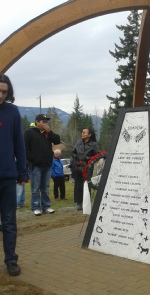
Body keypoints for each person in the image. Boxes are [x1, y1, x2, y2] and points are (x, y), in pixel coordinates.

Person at [0, 73, 27, 276]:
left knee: (9, 221)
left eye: (4, 92)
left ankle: (11, 260)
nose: (0, 95)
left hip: (8, 176)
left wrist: (22, 171)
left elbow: (19, 144)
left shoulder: (12, 112)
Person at [24, 114, 60, 216]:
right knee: (35, 188)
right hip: (36, 165)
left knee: (45, 187)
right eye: (43, 121)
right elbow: (25, 148)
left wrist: (50, 132)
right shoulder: (29, 132)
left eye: (46, 122)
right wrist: (33, 159)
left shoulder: (47, 134)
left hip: (47, 164)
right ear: (37, 122)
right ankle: (36, 207)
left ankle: (46, 206)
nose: (45, 123)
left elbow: (57, 140)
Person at [72, 128, 99, 210]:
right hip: (78, 167)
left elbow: (97, 155)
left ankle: (87, 203)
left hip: (88, 167)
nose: (82, 134)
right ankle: (79, 203)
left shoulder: (93, 144)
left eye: (84, 132)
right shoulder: (78, 143)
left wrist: (89, 158)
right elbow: (73, 152)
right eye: (82, 132)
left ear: (89, 135)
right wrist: (76, 158)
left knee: (87, 185)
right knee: (79, 186)